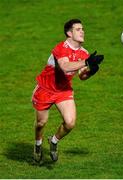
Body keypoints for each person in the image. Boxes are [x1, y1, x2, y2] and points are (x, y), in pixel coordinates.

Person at [32, 19, 104, 163]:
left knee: (70, 123)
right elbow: (65, 66)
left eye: (83, 29)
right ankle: (38, 144)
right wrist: (86, 62)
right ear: (69, 33)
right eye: (78, 29)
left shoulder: (84, 53)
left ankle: (53, 141)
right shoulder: (61, 48)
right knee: (41, 123)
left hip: (63, 90)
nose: (82, 31)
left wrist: (92, 71)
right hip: (45, 89)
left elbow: (82, 76)